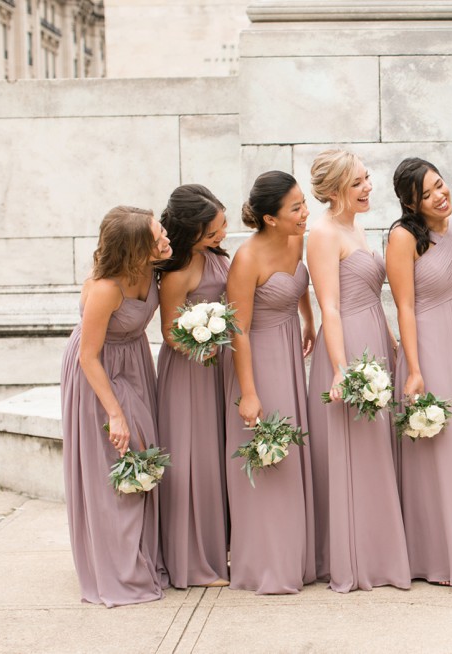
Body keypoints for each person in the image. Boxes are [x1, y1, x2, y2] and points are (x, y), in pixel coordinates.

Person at [306, 149, 411, 593]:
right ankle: (352, 557)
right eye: (358, 183)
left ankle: (378, 549)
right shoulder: (323, 233)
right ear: (333, 191)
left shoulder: (359, 227)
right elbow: (328, 304)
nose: (368, 187)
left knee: (374, 448)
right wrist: (339, 368)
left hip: (374, 337)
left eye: (367, 179)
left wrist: (390, 338)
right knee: (352, 451)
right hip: (346, 343)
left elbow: (371, 292)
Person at [60, 205, 173, 607]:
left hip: (136, 361)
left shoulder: (156, 269)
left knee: (145, 458)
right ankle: (118, 567)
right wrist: (114, 412)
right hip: (99, 370)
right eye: (158, 236)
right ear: (136, 248)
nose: (166, 239)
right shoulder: (106, 287)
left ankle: (143, 556)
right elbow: (87, 356)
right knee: (118, 460)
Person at [386, 157, 452, 587]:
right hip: (426, 343)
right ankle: (437, 557)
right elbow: (403, 304)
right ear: (411, 203)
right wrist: (413, 368)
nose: (439, 196)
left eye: (440, 186)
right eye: (426, 194)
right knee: (438, 444)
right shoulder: (403, 237)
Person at [224, 171, 317, 594]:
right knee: (268, 456)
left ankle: (296, 558)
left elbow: (300, 283)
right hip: (258, 360)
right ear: (270, 218)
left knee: (292, 455)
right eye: (295, 208)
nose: (304, 212)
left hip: (290, 356)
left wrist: (308, 318)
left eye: (302, 203)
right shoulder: (246, 259)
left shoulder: (297, 239)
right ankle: (266, 564)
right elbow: (237, 330)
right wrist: (248, 393)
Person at [155, 184, 231, 589]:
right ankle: (193, 562)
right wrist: (202, 347)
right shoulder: (177, 270)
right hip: (189, 373)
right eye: (213, 232)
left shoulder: (217, 256)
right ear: (191, 234)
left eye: (222, 226)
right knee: (192, 462)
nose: (221, 236)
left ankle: (219, 552)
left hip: (218, 369)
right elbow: (169, 330)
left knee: (215, 460)